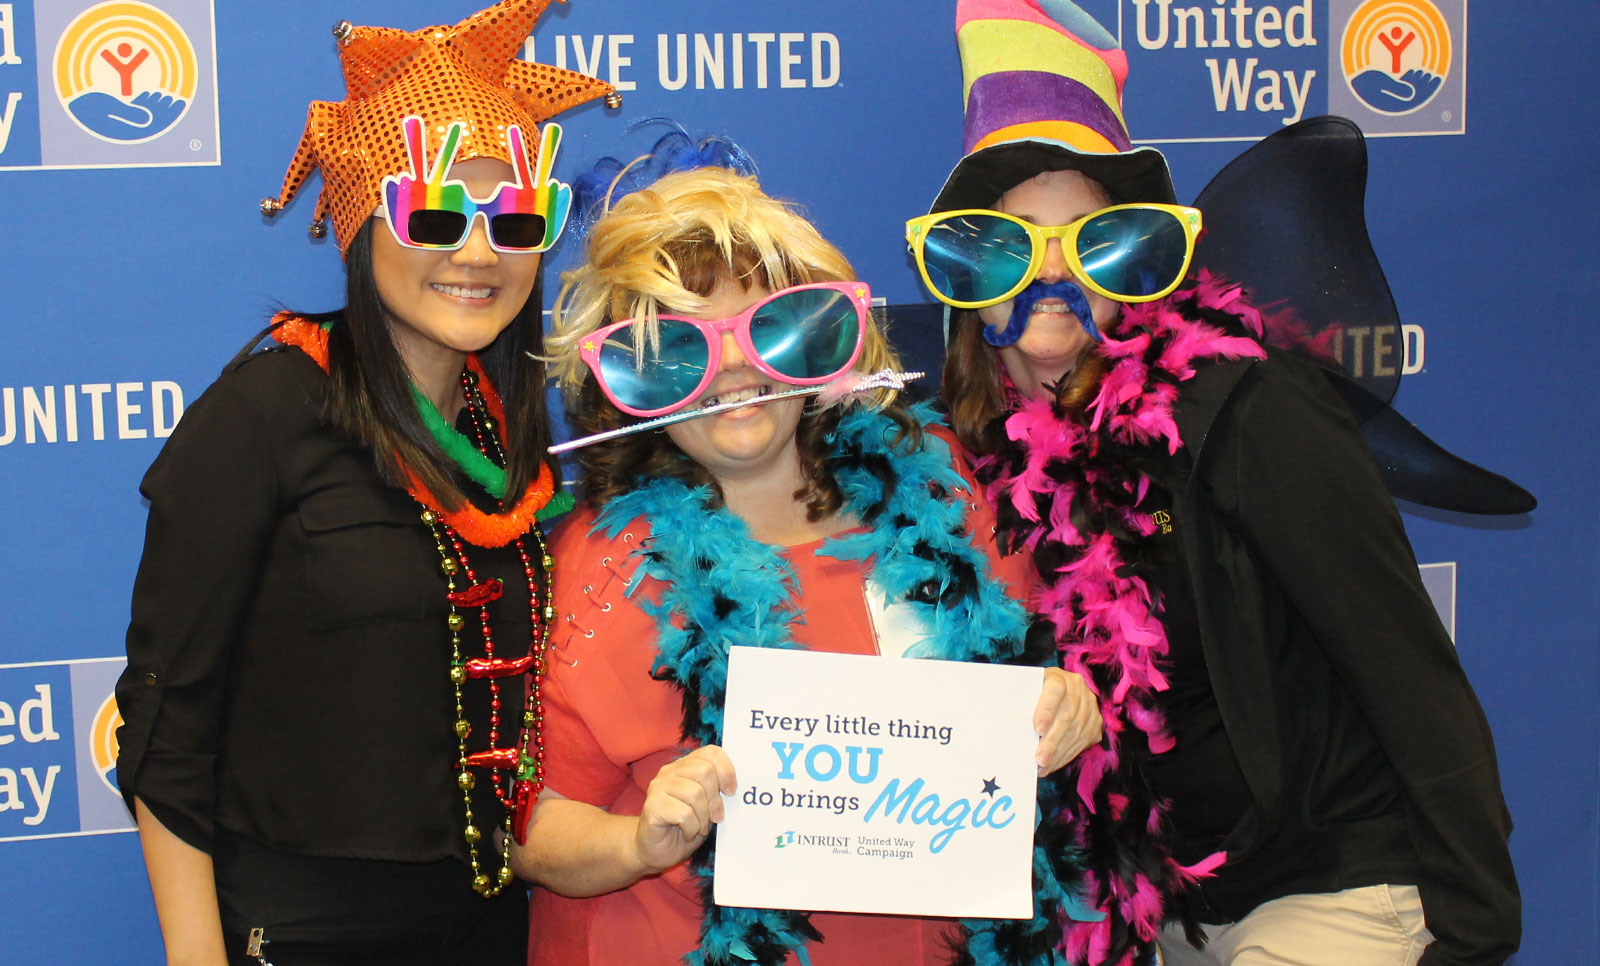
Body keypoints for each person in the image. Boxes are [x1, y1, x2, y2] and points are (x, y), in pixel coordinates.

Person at [907, 2, 1520, 965]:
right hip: (1181, 908)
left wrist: (1476, 932)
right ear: (969, 271)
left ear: (1140, 259)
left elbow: (1407, 665)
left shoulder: (1251, 410)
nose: (1053, 272)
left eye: (1090, 239)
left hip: (1333, 882)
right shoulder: (970, 466)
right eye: (1013, 241)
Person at [113, 3, 617, 963]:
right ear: (361, 222)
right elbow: (166, 728)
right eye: (434, 212)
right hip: (305, 931)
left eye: (513, 216)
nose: (477, 252)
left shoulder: (505, 430)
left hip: (496, 927)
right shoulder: (266, 411)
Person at [510, 155, 1101, 965]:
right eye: (680, 349)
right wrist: (641, 842)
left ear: (822, 340)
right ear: (630, 381)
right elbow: (529, 831)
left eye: (770, 330)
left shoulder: (937, 491)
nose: (734, 370)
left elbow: (1027, 678)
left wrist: (1066, 705)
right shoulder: (602, 572)